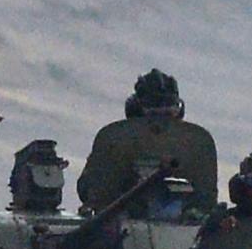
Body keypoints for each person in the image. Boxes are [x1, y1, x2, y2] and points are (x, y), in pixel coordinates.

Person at [76, 69, 220, 217]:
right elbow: (92, 189)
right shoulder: (196, 141)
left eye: (167, 112)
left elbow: (88, 187)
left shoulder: (115, 138)